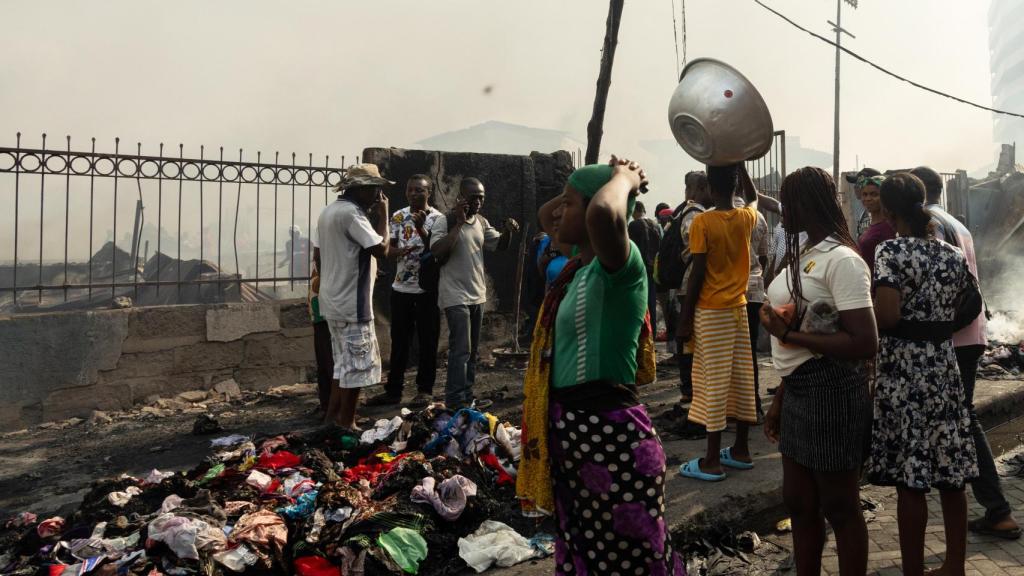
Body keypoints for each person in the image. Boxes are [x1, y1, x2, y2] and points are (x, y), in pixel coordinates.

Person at [517, 157, 683, 575]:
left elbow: (606, 213)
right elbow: (545, 214)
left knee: (627, 560)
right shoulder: (580, 266)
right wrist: (584, 185)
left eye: (570, 204)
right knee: (587, 554)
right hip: (576, 437)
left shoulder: (619, 270)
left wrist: (624, 179)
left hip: (608, 436)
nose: (557, 213)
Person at [759, 166, 878, 575]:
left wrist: (790, 333)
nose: (782, 210)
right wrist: (781, 397)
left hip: (832, 389)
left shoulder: (842, 260)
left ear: (805, 204)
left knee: (840, 506)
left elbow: (864, 343)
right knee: (799, 500)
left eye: (788, 201)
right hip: (799, 389)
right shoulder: (806, 252)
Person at [867, 173, 979, 576]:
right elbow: (970, 302)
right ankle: (954, 566)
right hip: (943, 363)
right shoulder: (951, 254)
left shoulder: (890, 252)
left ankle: (913, 569)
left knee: (910, 475)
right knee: (951, 472)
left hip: (904, 369)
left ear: (890, 209)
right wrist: (940, 324)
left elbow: (889, 315)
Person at [913, 166, 1021, 540]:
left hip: (953, 336)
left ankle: (997, 509)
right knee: (957, 418)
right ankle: (980, 502)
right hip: (969, 333)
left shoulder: (932, 225)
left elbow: (941, 288)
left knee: (962, 419)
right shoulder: (957, 224)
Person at [678, 164, 759, 481]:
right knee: (741, 376)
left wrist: (684, 320)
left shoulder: (702, 221)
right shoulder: (746, 217)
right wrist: (741, 169)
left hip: (710, 312)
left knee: (711, 381)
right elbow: (753, 198)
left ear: (710, 188)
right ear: (736, 187)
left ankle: (711, 459)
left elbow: (697, 273)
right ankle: (740, 449)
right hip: (738, 309)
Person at [430, 177, 519, 409]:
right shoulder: (444, 221)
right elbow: (437, 251)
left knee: (471, 351)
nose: (478, 201)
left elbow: (499, 245)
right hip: (454, 295)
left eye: (482, 197)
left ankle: (466, 396)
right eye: (474, 197)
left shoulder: (481, 221)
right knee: (461, 349)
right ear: (461, 197)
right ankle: (454, 399)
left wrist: (508, 232)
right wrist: (458, 223)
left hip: (477, 295)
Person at [314, 164, 391, 430]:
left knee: (342, 366)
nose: (377, 194)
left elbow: (320, 255)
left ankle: (332, 419)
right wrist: (384, 215)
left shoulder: (330, 212)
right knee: (358, 367)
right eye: (374, 189)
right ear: (361, 189)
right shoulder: (351, 214)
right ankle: (348, 423)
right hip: (352, 303)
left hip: (333, 299)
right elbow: (381, 248)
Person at [366, 175, 443, 408]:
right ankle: (394, 390)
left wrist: (420, 230)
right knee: (399, 341)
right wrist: (398, 253)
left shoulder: (438, 220)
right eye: (410, 190)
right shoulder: (399, 216)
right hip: (401, 288)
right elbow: (387, 249)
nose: (413, 194)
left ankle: (425, 390)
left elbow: (439, 251)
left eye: (419, 190)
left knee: (428, 341)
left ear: (429, 192)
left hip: (427, 289)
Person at [674, 171, 710, 404]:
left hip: (690, 283)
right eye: (706, 189)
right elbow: (699, 256)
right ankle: (690, 388)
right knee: (688, 337)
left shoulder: (689, 213)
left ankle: (692, 387)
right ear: (696, 189)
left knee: (692, 338)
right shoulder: (694, 216)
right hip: (690, 284)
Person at [628, 200, 664, 339]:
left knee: (641, 305)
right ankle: (652, 335)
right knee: (651, 303)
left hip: (639, 269)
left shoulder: (634, 225)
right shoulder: (656, 225)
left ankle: (642, 337)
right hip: (653, 269)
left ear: (635, 210)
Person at [308, 247, 333, 417]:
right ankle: (332, 407)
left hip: (320, 303)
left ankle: (327, 405)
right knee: (330, 361)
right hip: (326, 303)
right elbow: (318, 255)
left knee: (325, 360)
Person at [855, 173, 895, 272]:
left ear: (885, 197)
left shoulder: (889, 227)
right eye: (865, 194)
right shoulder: (871, 224)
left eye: (874, 194)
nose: (868, 199)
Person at [846, 167, 883, 240]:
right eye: (855, 184)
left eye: (859, 184)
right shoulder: (865, 212)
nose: (855, 187)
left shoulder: (883, 215)